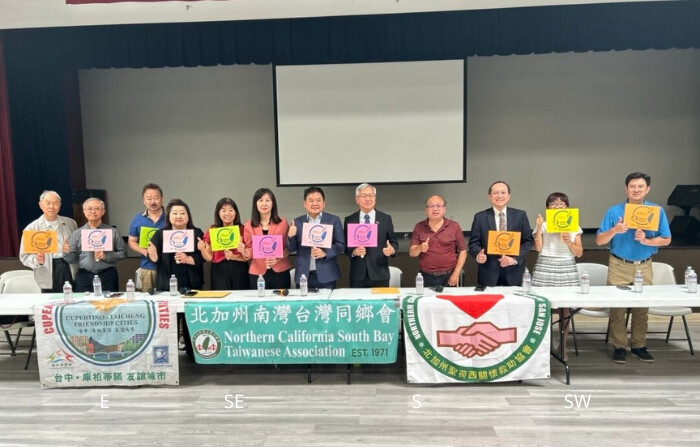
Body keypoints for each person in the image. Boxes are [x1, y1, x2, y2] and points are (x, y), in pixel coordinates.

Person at [596, 172, 671, 364]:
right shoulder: (614, 211)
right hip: (619, 264)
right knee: (618, 308)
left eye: (640, 187)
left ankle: (639, 345)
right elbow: (599, 240)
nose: (636, 190)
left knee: (641, 308)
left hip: (644, 265)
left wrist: (646, 240)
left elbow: (666, 239)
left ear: (648, 189)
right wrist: (615, 230)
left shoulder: (656, 211)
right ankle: (619, 346)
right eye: (632, 186)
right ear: (626, 188)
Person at [532, 192, 584, 361]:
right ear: (548, 208)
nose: (558, 207)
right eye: (553, 204)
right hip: (545, 267)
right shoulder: (545, 225)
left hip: (566, 267)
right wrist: (539, 228)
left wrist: (569, 241)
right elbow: (538, 248)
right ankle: (544, 346)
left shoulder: (573, 225)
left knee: (565, 310)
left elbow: (579, 253)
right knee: (543, 308)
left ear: (567, 207)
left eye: (561, 204)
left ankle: (562, 345)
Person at [468, 181, 533, 287]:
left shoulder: (520, 215)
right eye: (495, 193)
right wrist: (477, 255)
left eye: (503, 192)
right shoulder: (480, 217)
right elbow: (473, 243)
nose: (499, 196)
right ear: (490, 196)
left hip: (514, 272)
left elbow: (528, 241)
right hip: (489, 273)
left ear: (509, 196)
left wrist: (514, 259)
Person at [19, 191, 78, 293]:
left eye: (55, 203)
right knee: (51, 302)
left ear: (59, 205)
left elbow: (78, 246)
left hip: (69, 266)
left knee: (72, 300)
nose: (52, 206)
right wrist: (37, 260)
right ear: (40, 205)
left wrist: (71, 250)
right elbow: (24, 256)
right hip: (47, 268)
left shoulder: (70, 223)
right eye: (48, 203)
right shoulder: (31, 228)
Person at [287, 186, 345, 290]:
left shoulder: (333, 220)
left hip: (327, 274)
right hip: (304, 275)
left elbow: (340, 245)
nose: (315, 204)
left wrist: (325, 253)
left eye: (318, 200)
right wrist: (290, 236)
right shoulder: (297, 222)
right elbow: (291, 249)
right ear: (305, 204)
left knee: (326, 306)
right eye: (311, 200)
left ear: (324, 203)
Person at [65, 198, 127, 293]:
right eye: (89, 209)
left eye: (97, 209)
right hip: (84, 276)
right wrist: (66, 252)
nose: (93, 212)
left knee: (109, 305)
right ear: (84, 211)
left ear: (103, 211)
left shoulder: (112, 232)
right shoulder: (77, 233)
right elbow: (72, 260)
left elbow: (123, 253)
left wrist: (106, 256)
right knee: (82, 305)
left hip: (107, 275)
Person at [344, 183, 399, 288]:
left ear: (375, 198)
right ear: (357, 199)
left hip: (380, 273)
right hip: (357, 274)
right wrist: (354, 252)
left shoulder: (385, 219)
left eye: (371, 195)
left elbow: (393, 242)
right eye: (364, 196)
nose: (368, 199)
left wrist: (391, 250)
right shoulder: (350, 220)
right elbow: (345, 246)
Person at [147, 198, 205, 292]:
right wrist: (153, 256)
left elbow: (204, 257)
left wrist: (188, 259)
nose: (179, 216)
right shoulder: (160, 234)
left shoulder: (196, 233)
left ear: (188, 216)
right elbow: (151, 256)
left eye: (182, 213)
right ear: (168, 216)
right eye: (174, 213)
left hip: (192, 284)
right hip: (166, 285)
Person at [409, 195, 467, 288]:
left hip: (449, 275)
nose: (435, 209)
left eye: (439, 206)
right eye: (431, 206)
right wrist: (420, 247)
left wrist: (456, 274)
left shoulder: (454, 226)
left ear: (444, 209)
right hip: (426, 276)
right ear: (426, 210)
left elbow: (463, 251)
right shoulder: (419, 227)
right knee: (427, 302)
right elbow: (412, 253)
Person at [241, 188, 292, 290]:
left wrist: (277, 259)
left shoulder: (283, 223)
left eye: (267, 200)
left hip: (280, 271)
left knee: (280, 303)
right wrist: (244, 251)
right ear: (255, 204)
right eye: (260, 200)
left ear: (273, 204)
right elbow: (250, 250)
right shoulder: (249, 225)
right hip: (257, 272)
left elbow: (288, 248)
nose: (264, 204)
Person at [197, 198, 249, 290]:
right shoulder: (212, 230)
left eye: (230, 210)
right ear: (218, 213)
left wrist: (234, 256)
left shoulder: (243, 229)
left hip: (239, 269)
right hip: (219, 270)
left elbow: (248, 256)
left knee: (241, 298)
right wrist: (202, 250)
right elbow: (209, 257)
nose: (227, 214)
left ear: (235, 212)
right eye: (223, 210)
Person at [128, 183, 166, 292]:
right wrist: (145, 252)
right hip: (147, 267)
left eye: (156, 198)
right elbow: (132, 241)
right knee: (149, 301)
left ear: (161, 199)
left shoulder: (170, 217)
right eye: (149, 199)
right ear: (144, 201)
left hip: (168, 267)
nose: (153, 202)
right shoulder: (137, 219)